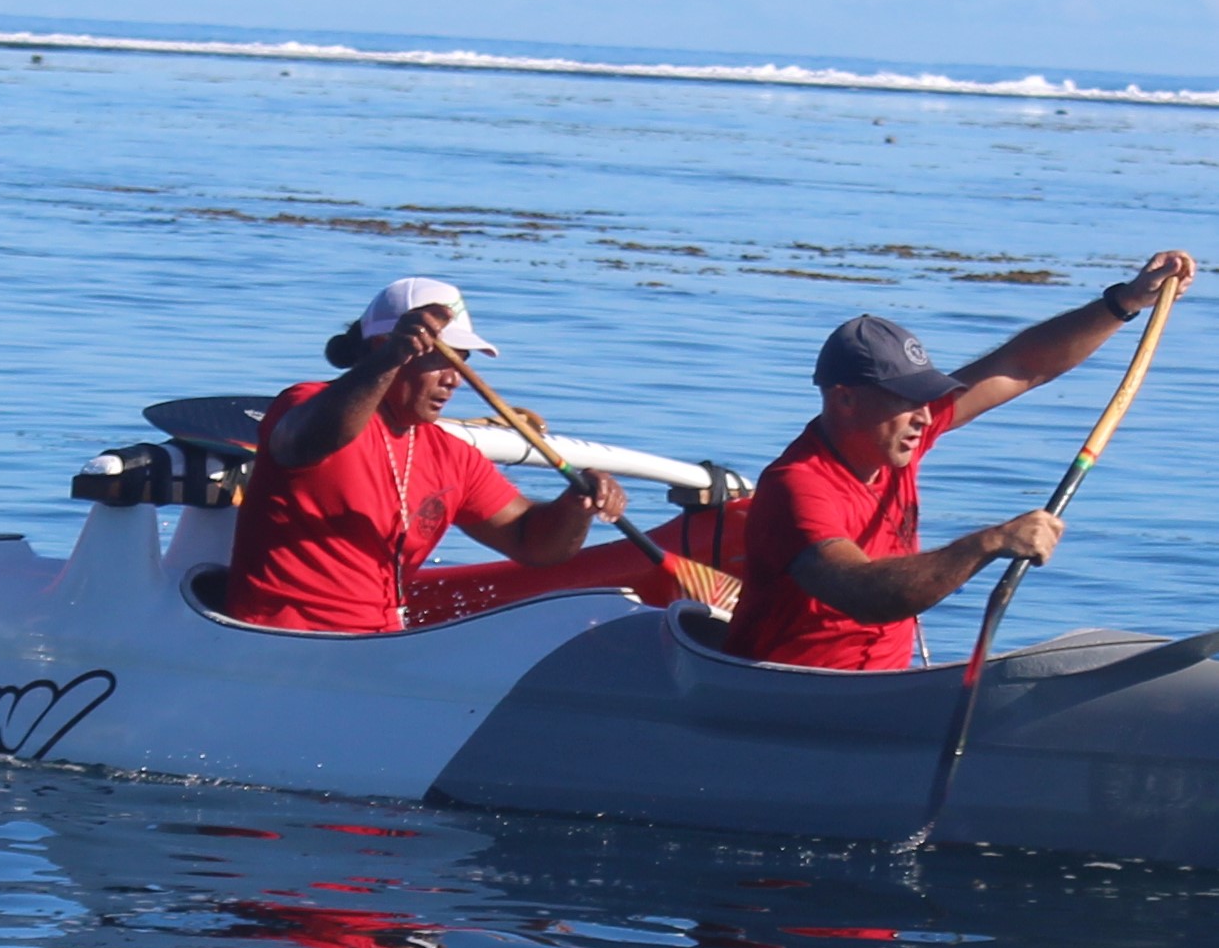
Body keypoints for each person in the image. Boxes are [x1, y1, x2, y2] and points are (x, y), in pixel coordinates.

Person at [721, 250, 1194, 670]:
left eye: (930, 399)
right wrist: (986, 543)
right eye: (908, 400)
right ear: (845, 399)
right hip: (795, 698)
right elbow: (861, 594)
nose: (927, 418)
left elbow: (1023, 366)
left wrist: (1124, 303)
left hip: (884, 691)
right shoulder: (799, 486)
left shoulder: (893, 441)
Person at [223, 278, 628, 633]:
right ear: (386, 346)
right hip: (278, 639)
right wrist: (390, 359)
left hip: (380, 645)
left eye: (462, 363)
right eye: (441, 359)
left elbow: (534, 543)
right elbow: (305, 441)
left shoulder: (453, 456)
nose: (454, 380)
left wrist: (577, 506)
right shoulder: (309, 402)